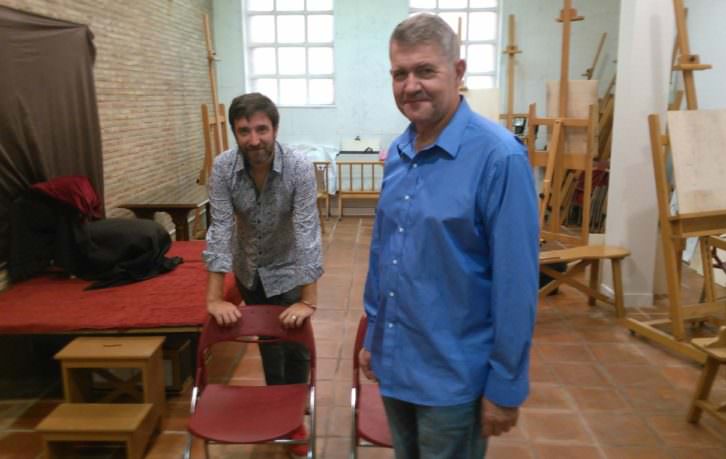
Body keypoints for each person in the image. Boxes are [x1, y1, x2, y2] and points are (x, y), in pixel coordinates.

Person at [359, 14, 539, 459]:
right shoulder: (400, 153)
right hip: (397, 362)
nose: (410, 85)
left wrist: (505, 384)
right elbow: (385, 255)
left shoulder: (500, 159)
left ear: (457, 72)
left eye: (425, 71)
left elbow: (516, 286)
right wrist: (373, 337)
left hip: (453, 379)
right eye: (400, 73)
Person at [202, 92, 323, 458]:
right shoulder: (224, 168)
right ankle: (281, 413)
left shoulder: (299, 167)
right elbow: (220, 228)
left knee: (295, 343)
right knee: (270, 345)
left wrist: (308, 299)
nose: (254, 140)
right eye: (244, 131)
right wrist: (214, 297)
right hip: (248, 270)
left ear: (275, 128)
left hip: (287, 268)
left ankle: (295, 409)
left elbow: (306, 230)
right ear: (234, 133)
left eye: (261, 129)